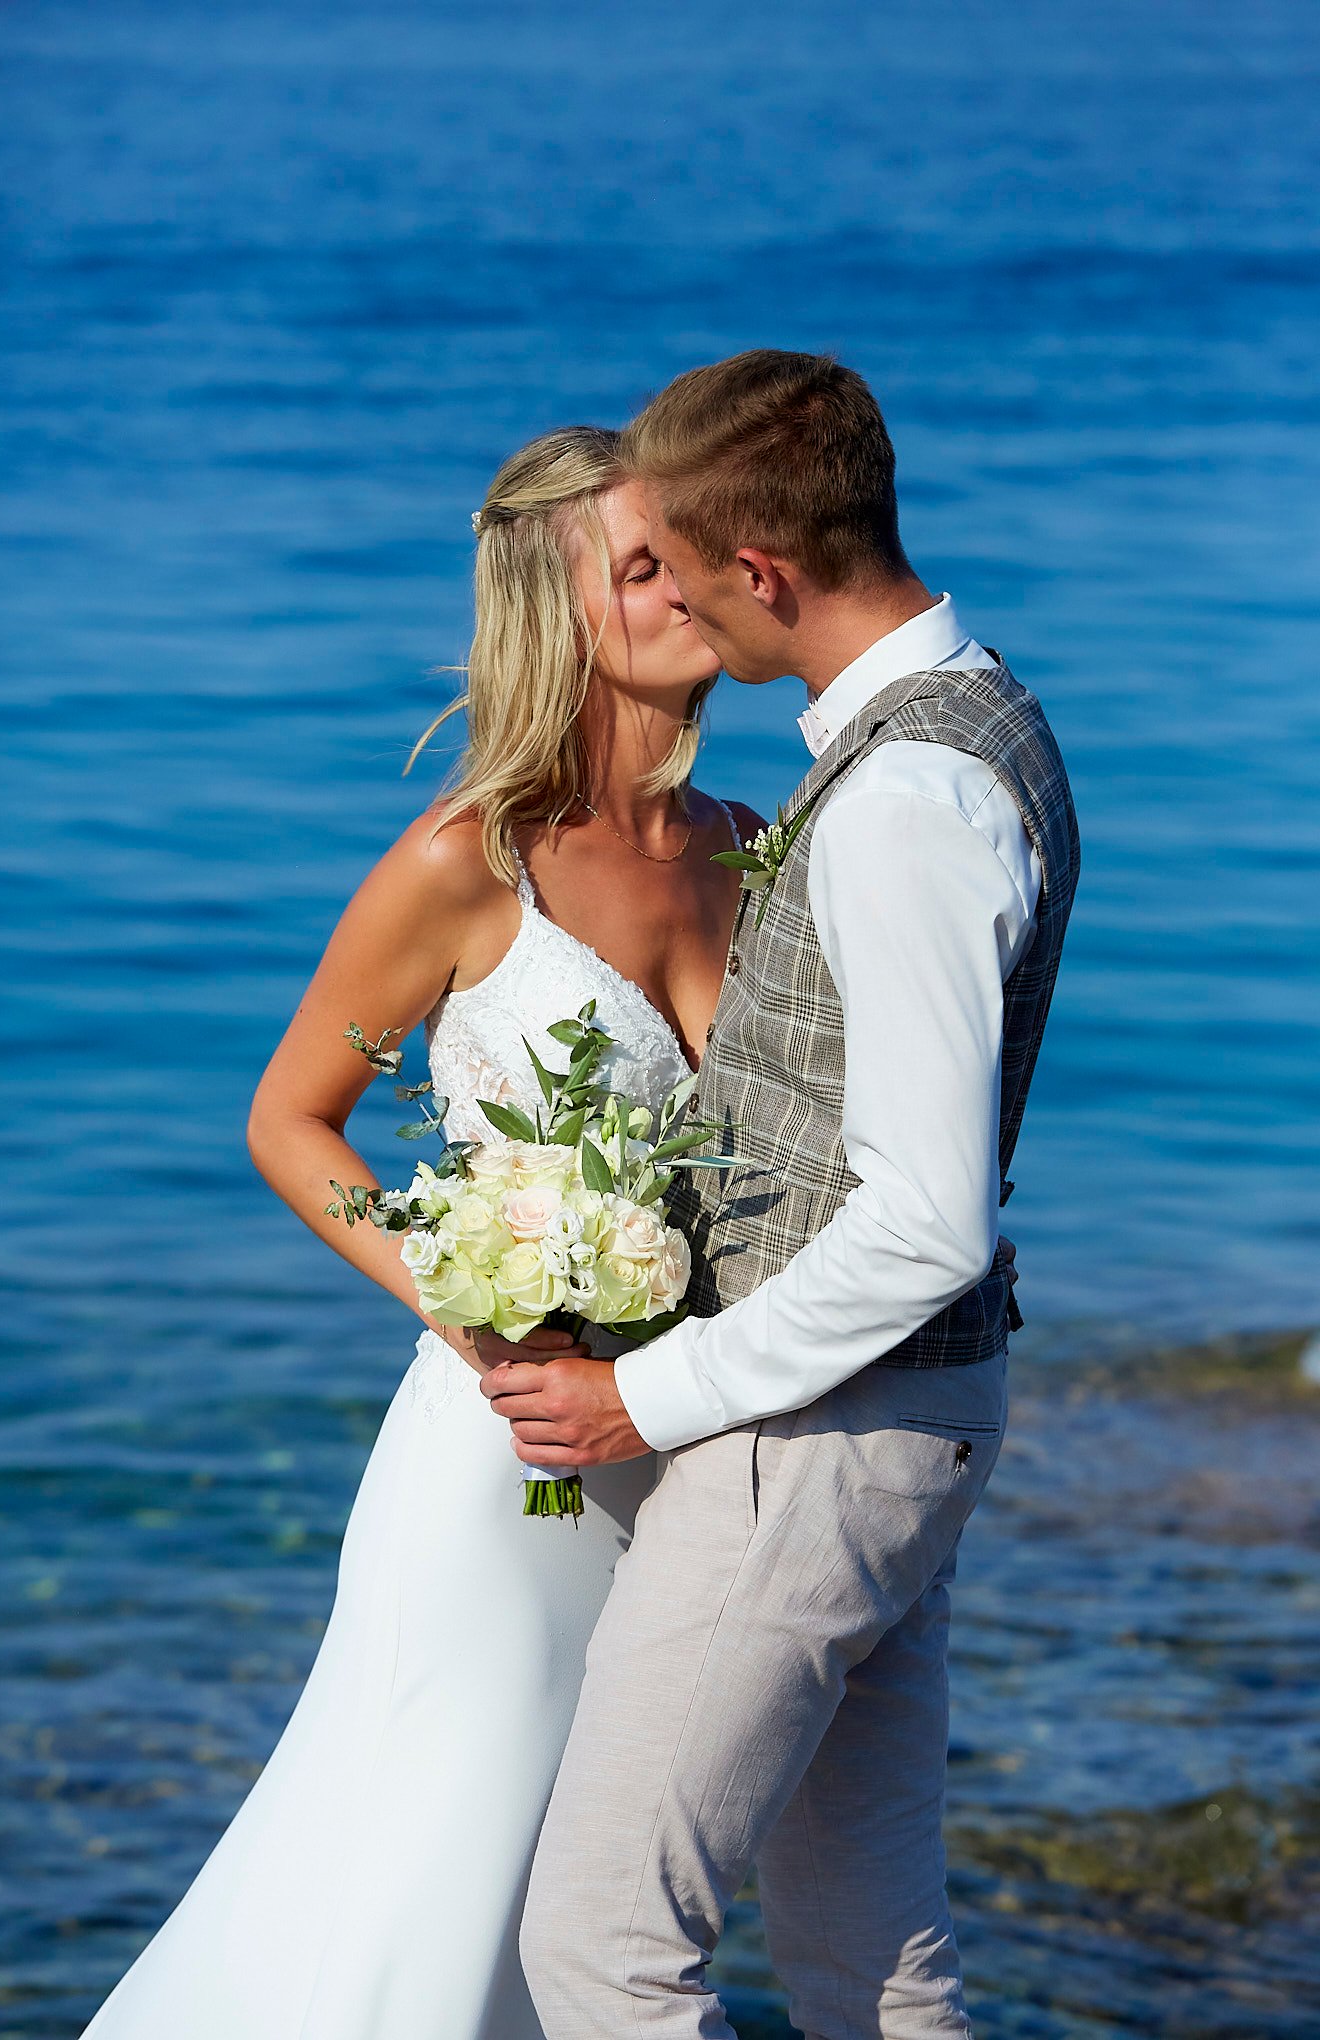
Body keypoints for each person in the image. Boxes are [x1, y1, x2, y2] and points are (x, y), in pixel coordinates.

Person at [80, 424, 761, 2039]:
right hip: (493, 1466)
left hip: (681, 1458)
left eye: (698, 550)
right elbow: (285, 1120)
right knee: (427, 1867)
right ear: (563, 603)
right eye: (646, 565)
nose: (697, 588)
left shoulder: (754, 846)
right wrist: (467, 1307)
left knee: (589, 1906)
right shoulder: (471, 861)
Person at [485, 351, 1080, 2040]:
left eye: (673, 562)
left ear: (765, 574)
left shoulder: (902, 796)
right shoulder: (973, 717)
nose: (659, 597)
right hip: (906, 1420)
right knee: (869, 1956)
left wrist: (637, 1396)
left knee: (603, 1954)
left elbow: (922, 1221)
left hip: (819, 1443)